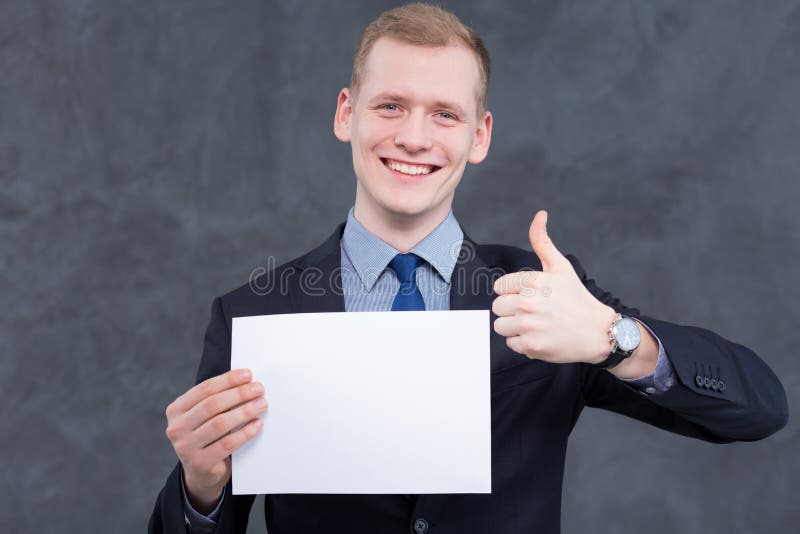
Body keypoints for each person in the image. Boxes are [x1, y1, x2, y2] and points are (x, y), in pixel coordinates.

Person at [149, 4, 789, 533]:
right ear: (347, 113)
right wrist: (201, 489)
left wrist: (612, 338)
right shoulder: (254, 314)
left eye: (445, 114)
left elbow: (759, 409)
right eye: (391, 106)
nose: (415, 138)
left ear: (479, 136)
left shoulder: (547, 298)